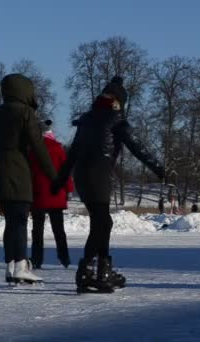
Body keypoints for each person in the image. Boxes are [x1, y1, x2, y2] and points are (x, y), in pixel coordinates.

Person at [52, 76, 164, 293]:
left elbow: (72, 153)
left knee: (102, 222)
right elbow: (136, 147)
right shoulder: (116, 119)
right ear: (119, 101)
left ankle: (101, 270)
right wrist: (159, 168)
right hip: (98, 175)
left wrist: (59, 180)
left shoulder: (87, 119)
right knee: (102, 222)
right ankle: (87, 272)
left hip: (83, 177)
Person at [0, 73, 56, 284]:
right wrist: (54, 176)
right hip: (17, 172)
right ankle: (21, 264)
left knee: (10, 222)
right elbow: (38, 147)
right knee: (20, 219)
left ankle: (10, 266)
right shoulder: (25, 113)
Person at [29, 119, 73, 269]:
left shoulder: (32, 149)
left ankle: (36, 259)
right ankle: (64, 258)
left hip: (38, 193)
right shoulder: (57, 148)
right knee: (59, 229)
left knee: (37, 230)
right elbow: (64, 170)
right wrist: (69, 189)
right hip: (56, 193)